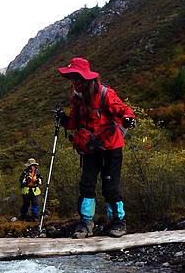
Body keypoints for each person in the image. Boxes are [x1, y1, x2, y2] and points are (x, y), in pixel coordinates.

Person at [56, 57, 136, 238]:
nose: (74, 82)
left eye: (76, 77)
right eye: (72, 78)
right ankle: (85, 222)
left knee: (110, 187)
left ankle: (118, 222)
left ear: (86, 78)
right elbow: (74, 123)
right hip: (90, 149)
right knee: (87, 185)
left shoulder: (105, 94)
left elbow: (124, 111)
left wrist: (128, 119)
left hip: (110, 147)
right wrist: (64, 120)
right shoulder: (77, 99)